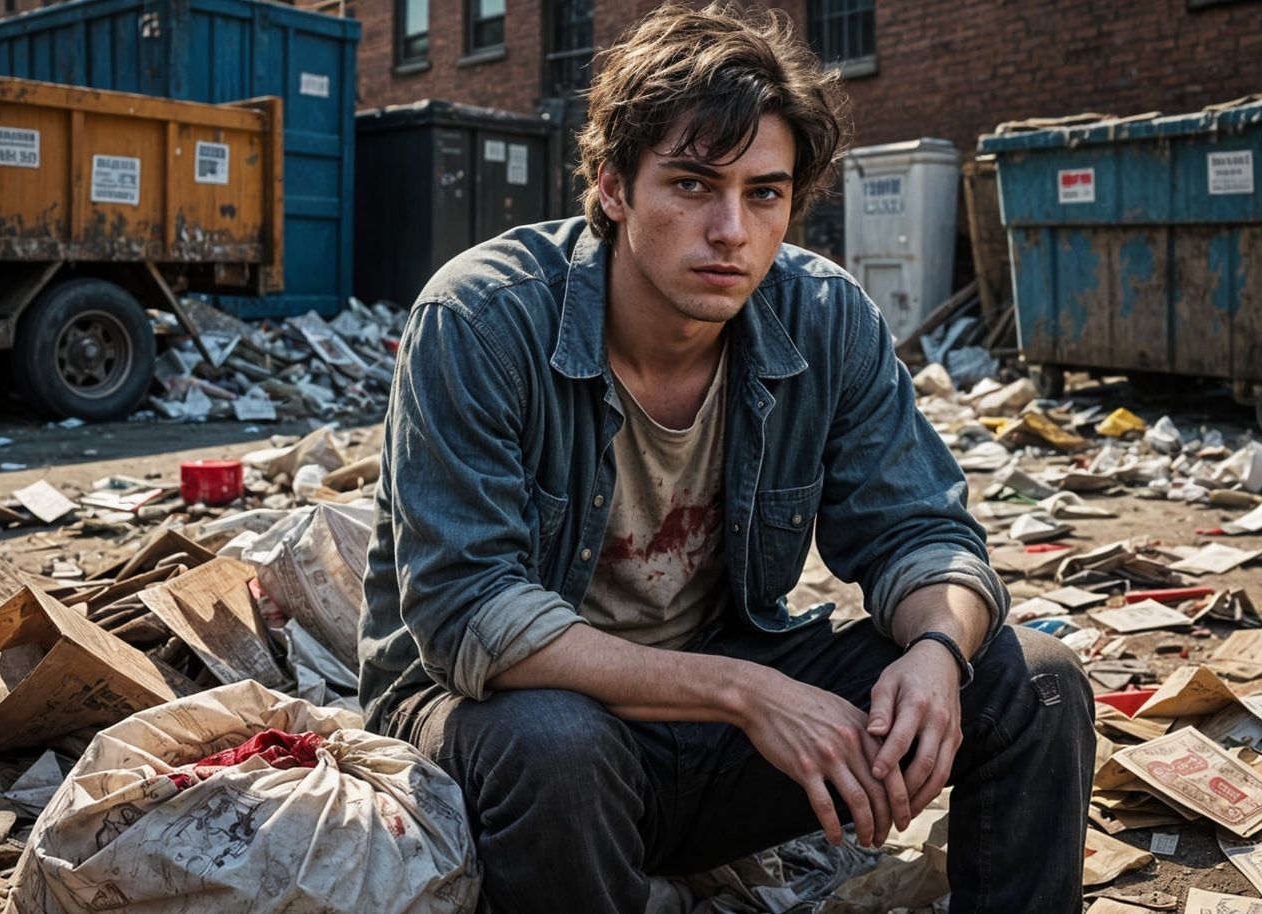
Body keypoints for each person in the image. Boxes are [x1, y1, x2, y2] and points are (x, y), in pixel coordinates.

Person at [359, 3, 1094, 911]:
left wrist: (938, 650)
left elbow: (920, 528)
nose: (732, 231)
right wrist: (747, 693)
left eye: (764, 194)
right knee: (556, 741)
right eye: (694, 185)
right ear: (613, 187)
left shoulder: (823, 318)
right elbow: (466, 611)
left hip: (710, 731)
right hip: (504, 743)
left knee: (1037, 682)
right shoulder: (480, 319)